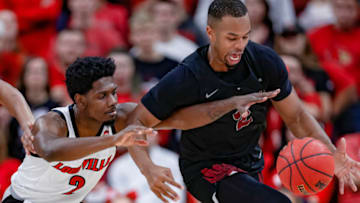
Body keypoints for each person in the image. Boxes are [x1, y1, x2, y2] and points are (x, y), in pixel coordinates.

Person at [125, 1, 360, 203]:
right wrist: (148, 169)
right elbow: (137, 120)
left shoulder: (264, 61)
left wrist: (332, 155)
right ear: (210, 33)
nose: (240, 46)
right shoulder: (188, 76)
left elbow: (296, 117)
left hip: (249, 164)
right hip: (206, 169)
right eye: (231, 38)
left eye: (245, 36)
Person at [19, 56, 281, 202]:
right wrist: (115, 141)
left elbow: (180, 118)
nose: (113, 101)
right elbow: (51, 151)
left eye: (114, 93)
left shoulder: (120, 116)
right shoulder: (53, 122)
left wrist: (229, 104)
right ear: (79, 100)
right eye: (102, 96)